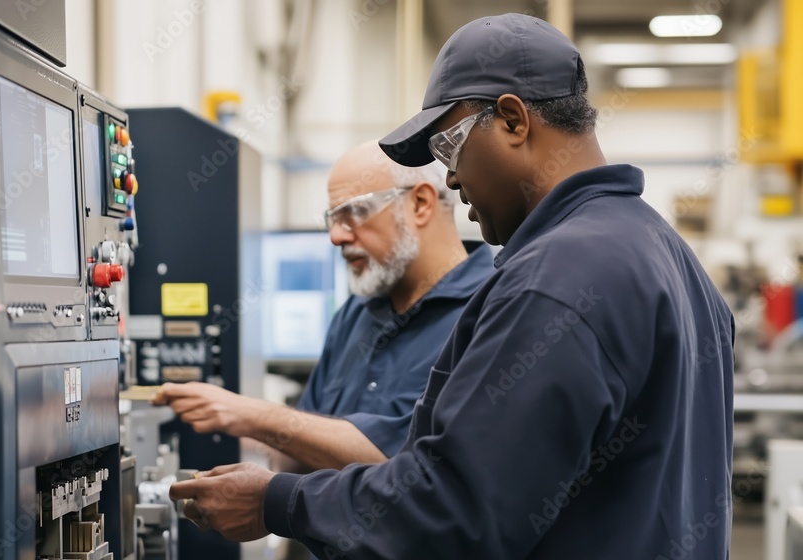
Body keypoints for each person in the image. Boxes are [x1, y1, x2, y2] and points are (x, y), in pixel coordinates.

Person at [169, 13, 735, 560]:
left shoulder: (558, 276)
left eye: (448, 147)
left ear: (513, 121)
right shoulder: (672, 260)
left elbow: (454, 514)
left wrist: (276, 503)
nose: (452, 177)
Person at [153, 140, 494, 473]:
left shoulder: (488, 312)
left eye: (355, 212)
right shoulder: (356, 314)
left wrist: (251, 415)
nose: (336, 236)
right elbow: (291, 456)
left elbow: (412, 464)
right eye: (332, 218)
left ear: (420, 203)